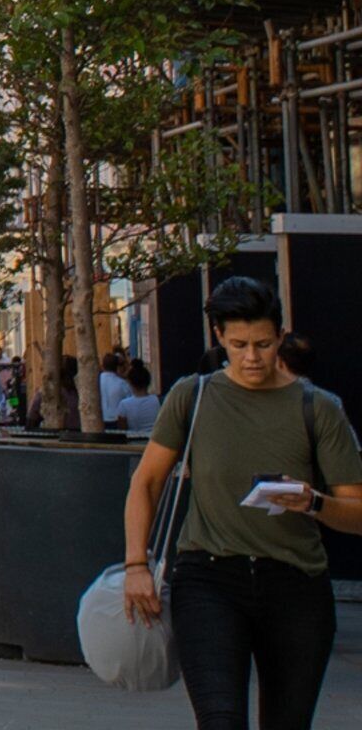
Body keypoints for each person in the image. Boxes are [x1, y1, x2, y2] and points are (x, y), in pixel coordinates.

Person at [120, 275, 362, 730]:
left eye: (264, 344)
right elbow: (146, 483)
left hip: (296, 584)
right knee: (220, 719)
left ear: (281, 337)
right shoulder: (193, 396)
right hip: (209, 578)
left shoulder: (319, 408)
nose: (252, 357)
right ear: (219, 338)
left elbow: (357, 512)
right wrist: (137, 566)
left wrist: (313, 503)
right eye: (239, 344)